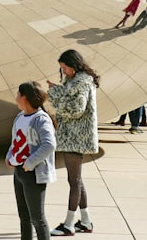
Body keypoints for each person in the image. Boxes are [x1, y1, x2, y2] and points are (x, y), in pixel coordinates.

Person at [46, 49, 98, 235]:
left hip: (76, 137)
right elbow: (69, 95)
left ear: (73, 66)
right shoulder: (77, 80)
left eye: (65, 68)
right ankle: (86, 221)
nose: (64, 72)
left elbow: (77, 109)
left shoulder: (81, 82)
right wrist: (57, 89)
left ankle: (68, 224)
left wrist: (54, 98)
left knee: (73, 181)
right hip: (74, 136)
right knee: (77, 180)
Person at [6, 81, 56, 240]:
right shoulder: (20, 117)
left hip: (33, 174)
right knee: (24, 216)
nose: (16, 98)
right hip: (19, 172)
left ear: (24, 97)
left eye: (18, 94)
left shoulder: (41, 119)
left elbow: (49, 145)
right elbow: (15, 141)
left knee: (37, 218)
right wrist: (10, 157)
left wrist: (29, 163)